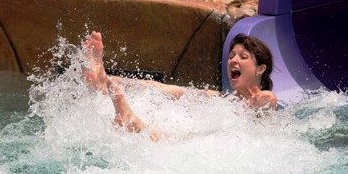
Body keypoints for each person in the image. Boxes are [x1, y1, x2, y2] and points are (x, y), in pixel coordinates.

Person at [81, 31, 278, 140]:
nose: (233, 60)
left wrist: (263, 100)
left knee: (174, 141)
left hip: (222, 153)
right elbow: (162, 89)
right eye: (232, 55)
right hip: (210, 142)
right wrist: (110, 81)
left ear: (260, 69)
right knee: (160, 91)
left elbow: (269, 100)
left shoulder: (263, 100)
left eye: (243, 57)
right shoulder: (221, 99)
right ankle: (103, 81)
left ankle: (131, 120)